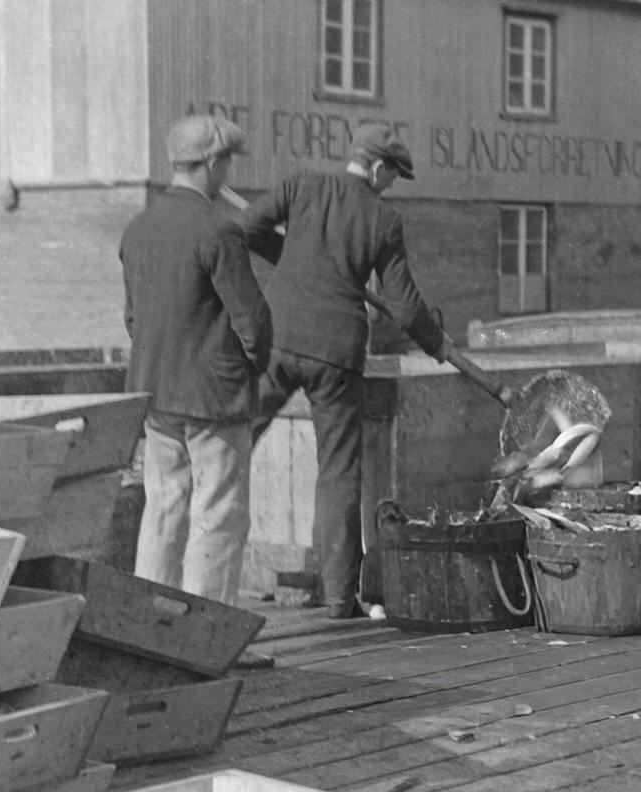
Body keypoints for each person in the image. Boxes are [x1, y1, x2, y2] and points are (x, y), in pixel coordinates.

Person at [239, 125, 453, 619]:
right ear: (379, 168)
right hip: (336, 355)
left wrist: (295, 262)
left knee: (232, 440)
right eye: (394, 175)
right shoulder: (382, 217)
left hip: (278, 339)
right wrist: (437, 343)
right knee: (338, 473)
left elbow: (244, 230)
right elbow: (404, 306)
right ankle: (339, 598)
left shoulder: (301, 186)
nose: (392, 185)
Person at [119, 115, 272, 606]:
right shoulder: (218, 229)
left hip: (154, 394)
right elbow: (253, 321)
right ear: (211, 163)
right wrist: (250, 366)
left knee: (162, 508)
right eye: (226, 162)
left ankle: (149, 627)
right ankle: (210, 635)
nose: (227, 172)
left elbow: (132, 320)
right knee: (218, 515)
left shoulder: (138, 228)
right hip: (214, 398)